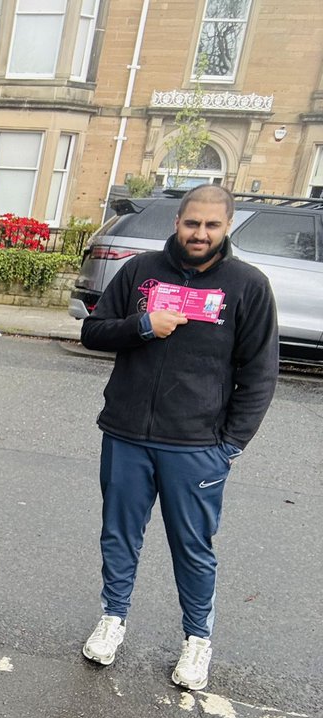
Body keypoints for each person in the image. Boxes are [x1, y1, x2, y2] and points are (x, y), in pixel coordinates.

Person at [79, 184, 278, 691]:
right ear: (177, 222)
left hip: (196, 446)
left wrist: (230, 445)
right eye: (193, 223)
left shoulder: (248, 286)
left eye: (212, 225)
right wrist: (143, 325)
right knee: (119, 534)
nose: (200, 233)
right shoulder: (140, 273)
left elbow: (259, 375)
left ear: (227, 226)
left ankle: (196, 640)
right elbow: (94, 332)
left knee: (192, 547)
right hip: (126, 433)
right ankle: (113, 618)